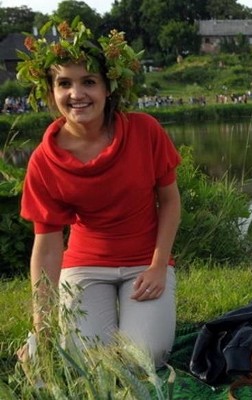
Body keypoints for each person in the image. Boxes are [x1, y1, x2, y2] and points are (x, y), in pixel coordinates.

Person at [17, 19, 181, 367]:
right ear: (52, 92)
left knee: (145, 357)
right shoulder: (44, 161)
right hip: (85, 265)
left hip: (144, 262)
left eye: (88, 82)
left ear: (109, 88)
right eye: (64, 84)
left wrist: (157, 266)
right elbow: (46, 247)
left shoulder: (145, 130)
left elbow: (169, 201)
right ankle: (38, 343)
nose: (76, 94)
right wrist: (42, 326)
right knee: (90, 361)